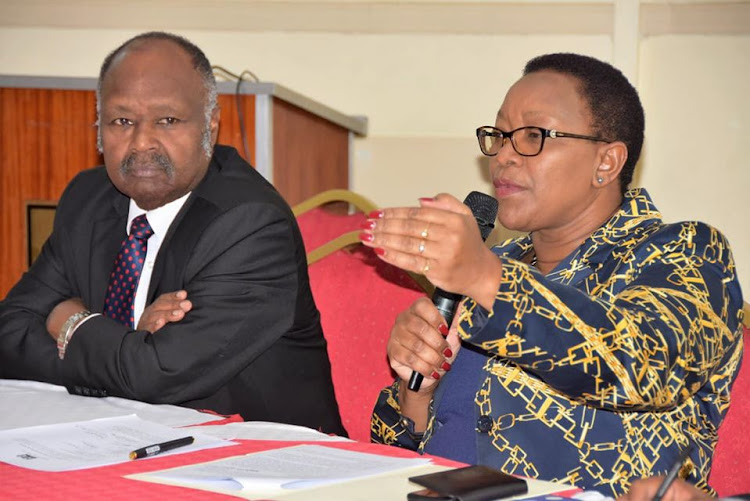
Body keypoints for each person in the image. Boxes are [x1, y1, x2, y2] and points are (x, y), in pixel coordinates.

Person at [362, 53, 744, 496]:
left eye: (532, 135)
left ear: (607, 162)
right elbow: (395, 450)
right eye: (500, 135)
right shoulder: (500, 262)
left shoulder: (689, 254)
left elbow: (638, 364)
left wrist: (487, 278)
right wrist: (418, 390)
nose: (503, 156)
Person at [0, 31, 345, 436]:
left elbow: (154, 374)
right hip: (120, 441)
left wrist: (69, 322)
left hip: (267, 464)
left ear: (211, 125)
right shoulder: (87, 199)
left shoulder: (250, 223)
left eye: (167, 120)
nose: (142, 142)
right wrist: (127, 342)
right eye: (122, 121)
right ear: (99, 129)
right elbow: (9, 331)